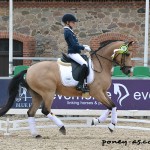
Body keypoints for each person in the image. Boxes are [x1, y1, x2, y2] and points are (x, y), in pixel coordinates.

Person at [62, 13, 91, 92]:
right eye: (73, 22)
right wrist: (83, 47)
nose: (74, 24)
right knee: (84, 64)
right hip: (73, 53)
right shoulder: (67, 31)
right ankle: (80, 85)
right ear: (67, 22)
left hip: (75, 52)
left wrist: (83, 45)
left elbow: (75, 44)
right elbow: (74, 45)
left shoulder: (70, 31)